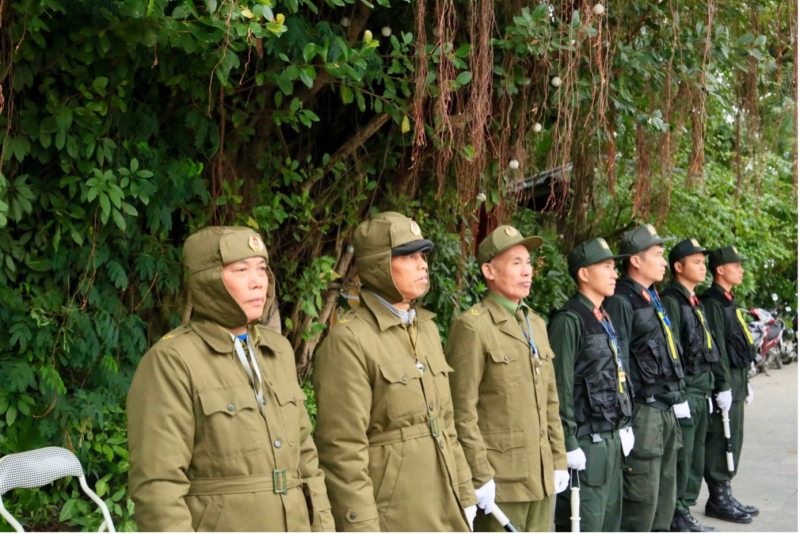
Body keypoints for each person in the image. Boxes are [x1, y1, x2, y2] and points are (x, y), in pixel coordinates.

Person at [127, 226, 334, 532]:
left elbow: (306, 460)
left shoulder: (278, 350)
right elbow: (158, 486)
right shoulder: (173, 361)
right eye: (241, 270)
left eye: (262, 269)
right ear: (208, 280)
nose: (257, 282)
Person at [313, 212, 477, 531]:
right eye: (409, 256)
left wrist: (465, 493)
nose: (422, 264)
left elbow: (445, 424)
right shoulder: (349, 340)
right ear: (378, 264)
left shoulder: (425, 328)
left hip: (445, 504)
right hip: (395, 515)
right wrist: (361, 525)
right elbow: (342, 449)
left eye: (422, 255)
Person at [446, 225, 568, 532]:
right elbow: (462, 410)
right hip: (501, 481)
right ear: (489, 270)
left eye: (528, 262)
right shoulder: (472, 327)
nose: (527, 270)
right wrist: (478, 474)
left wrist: (558, 459)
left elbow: (550, 400)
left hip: (540, 476)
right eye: (516, 263)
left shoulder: (536, 323)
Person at [548, 237, 635, 532]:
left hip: (610, 438)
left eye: (614, 266)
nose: (615, 274)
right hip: (586, 441)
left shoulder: (603, 316)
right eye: (607, 266)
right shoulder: (569, 321)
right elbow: (559, 388)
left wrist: (625, 421)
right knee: (585, 522)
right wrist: (567, 444)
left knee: (610, 521)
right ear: (584, 273)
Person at [604, 224, 686, 532]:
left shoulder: (652, 297)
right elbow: (618, 362)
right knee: (641, 499)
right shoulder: (622, 300)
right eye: (658, 254)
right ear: (635, 260)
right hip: (643, 412)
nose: (664, 261)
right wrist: (626, 418)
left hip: (663, 408)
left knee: (664, 494)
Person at [662, 239, 720, 532]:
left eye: (703, 261)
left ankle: (685, 508)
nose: (703, 267)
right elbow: (672, 352)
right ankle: (676, 513)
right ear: (678, 266)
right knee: (682, 458)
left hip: (701, 390)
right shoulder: (672, 300)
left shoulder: (693, 300)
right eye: (696, 262)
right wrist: (679, 394)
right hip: (686, 391)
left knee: (696, 455)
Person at [700, 246, 759, 523]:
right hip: (725, 382)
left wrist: (744, 381)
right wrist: (722, 385)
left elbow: (738, 344)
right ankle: (717, 498)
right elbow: (718, 349)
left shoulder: (728, 300)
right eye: (736, 265)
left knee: (734, 437)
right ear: (720, 270)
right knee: (721, 441)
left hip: (736, 379)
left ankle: (726, 491)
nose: (741, 270)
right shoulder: (712, 302)